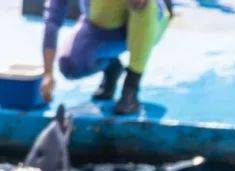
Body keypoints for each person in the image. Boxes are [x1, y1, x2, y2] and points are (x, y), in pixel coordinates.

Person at [40, 0, 171, 116]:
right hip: (103, 28)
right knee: (69, 65)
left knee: (143, 4)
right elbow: (52, 20)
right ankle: (112, 67)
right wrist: (48, 73)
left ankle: (131, 87)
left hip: (148, 21)